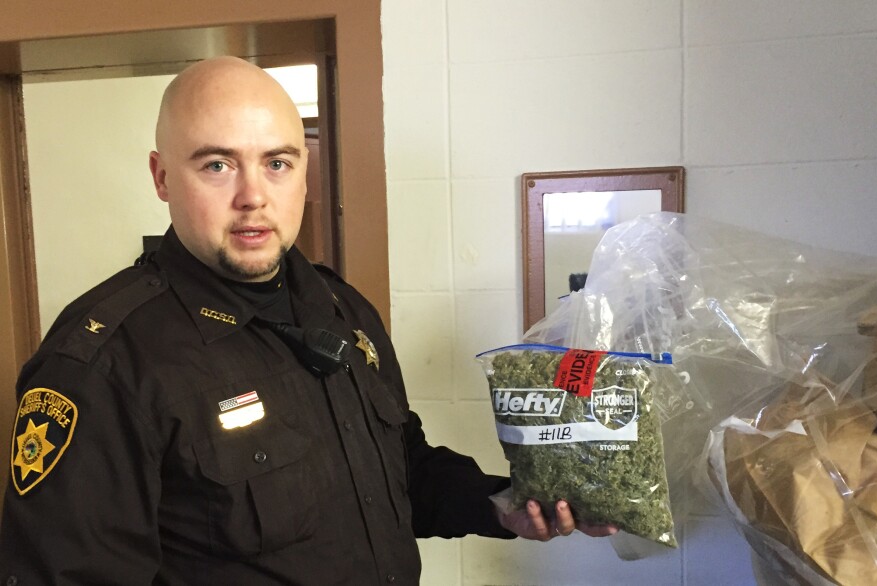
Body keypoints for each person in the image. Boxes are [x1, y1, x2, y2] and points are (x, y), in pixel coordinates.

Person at [0, 56, 614, 585]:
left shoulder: (342, 309)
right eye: (217, 165)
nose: (253, 196)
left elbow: (403, 468)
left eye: (278, 163)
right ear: (162, 176)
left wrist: (501, 505)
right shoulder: (103, 363)